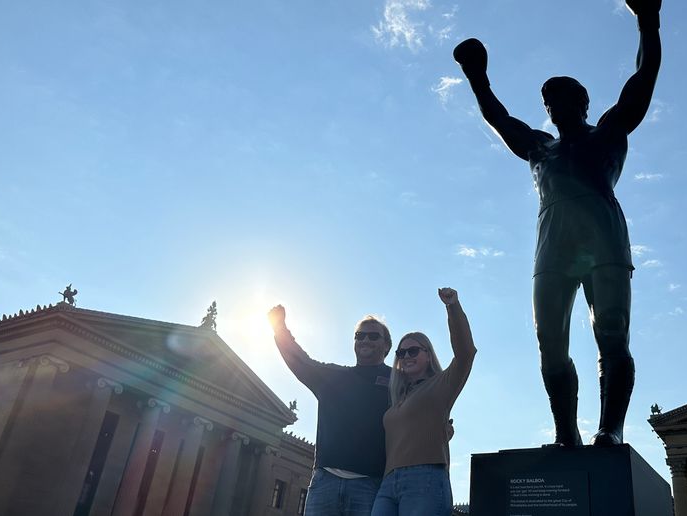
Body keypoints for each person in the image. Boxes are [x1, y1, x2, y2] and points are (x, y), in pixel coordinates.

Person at [453, 0, 661, 446]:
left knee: (611, 334)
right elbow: (499, 118)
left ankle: (610, 428)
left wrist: (648, 20)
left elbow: (643, 79)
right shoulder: (539, 148)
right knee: (550, 343)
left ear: (583, 103)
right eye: (547, 101)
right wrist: (477, 77)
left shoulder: (608, 131)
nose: (552, 106)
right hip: (553, 248)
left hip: (604, 241)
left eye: (561, 98)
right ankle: (567, 432)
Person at [268, 306, 393, 516]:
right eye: (360, 336)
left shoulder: (398, 381)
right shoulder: (333, 377)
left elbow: (425, 405)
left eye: (373, 336)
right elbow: (300, 361)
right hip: (325, 483)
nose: (365, 340)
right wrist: (279, 327)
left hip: (371, 485)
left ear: (386, 346)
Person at [371, 287, 476, 516]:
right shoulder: (397, 396)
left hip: (424, 478)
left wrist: (453, 307)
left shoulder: (441, 384)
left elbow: (466, 353)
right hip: (388, 484)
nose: (406, 356)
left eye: (413, 351)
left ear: (428, 355)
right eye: (401, 353)